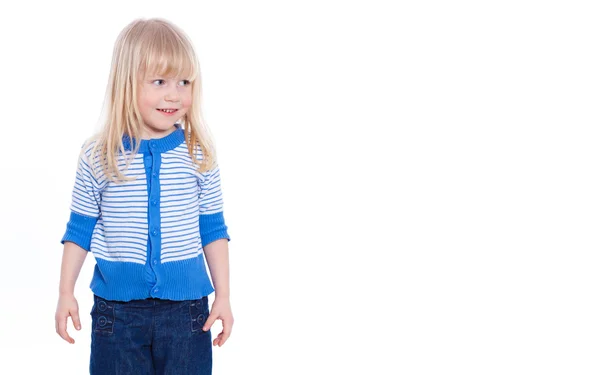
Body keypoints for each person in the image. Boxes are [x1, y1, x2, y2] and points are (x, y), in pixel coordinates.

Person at [54, 17, 234, 375]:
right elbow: (79, 230)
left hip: (187, 312)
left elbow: (213, 229)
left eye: (185, 82)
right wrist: (65, 293)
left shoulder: (199, 153)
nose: (175, 94)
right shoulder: (99, 155)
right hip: (117, 315)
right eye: (160, 81)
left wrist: (224, 296)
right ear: (126, 84)